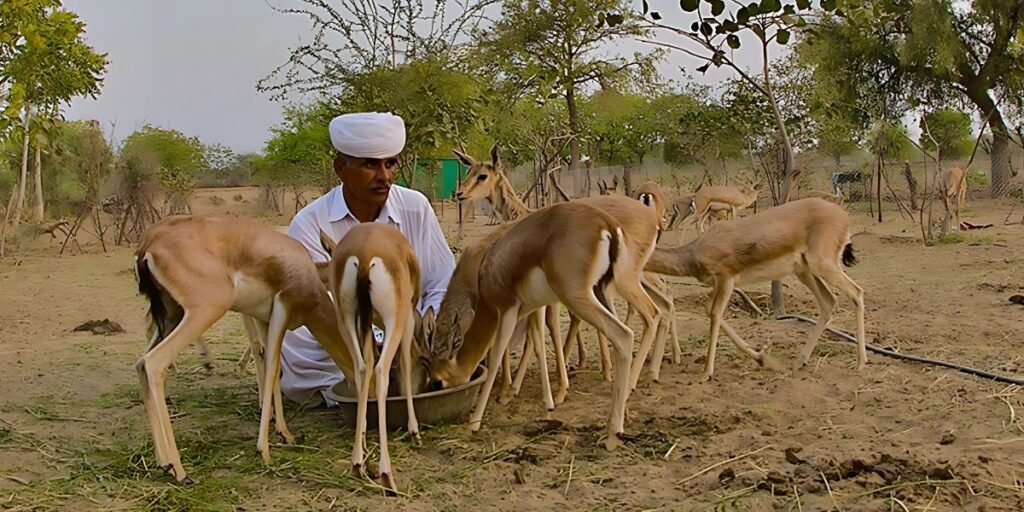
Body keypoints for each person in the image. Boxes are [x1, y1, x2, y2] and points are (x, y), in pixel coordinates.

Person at [279, 112, 456, 405]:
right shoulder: (311, 223)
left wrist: (424, 332)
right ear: (340, 168)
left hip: (412, 339)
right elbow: (312, 305)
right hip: (341, 346)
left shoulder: (415, 208)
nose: (384, 176)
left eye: (390, 164)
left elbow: (441, 279)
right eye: (369, 165)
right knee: (307, 356)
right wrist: (373, 341)